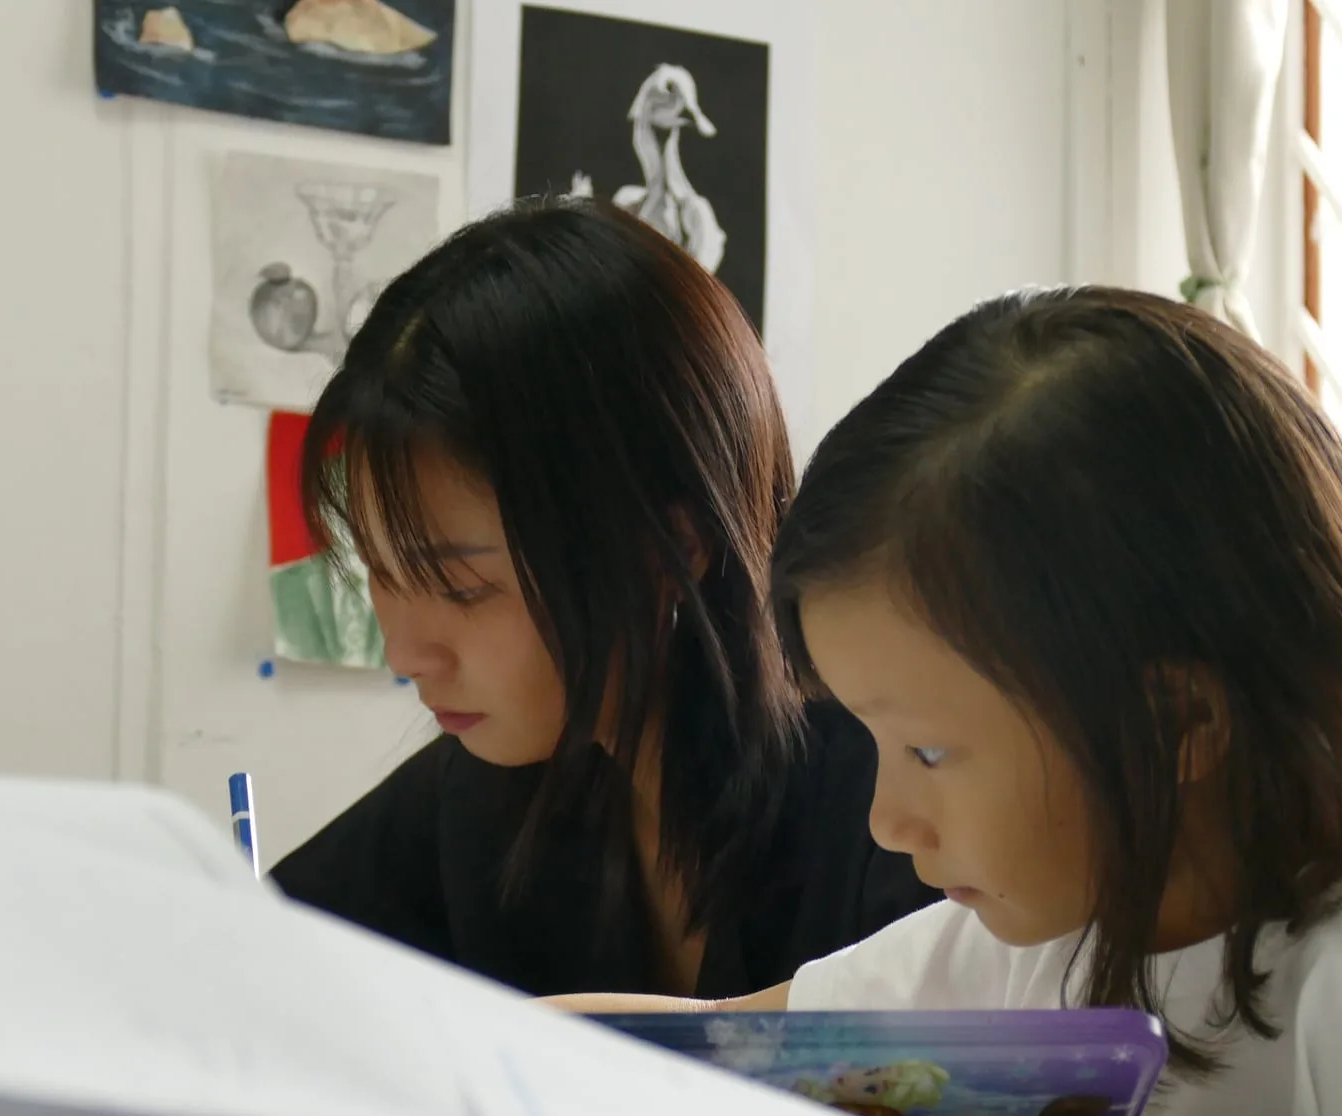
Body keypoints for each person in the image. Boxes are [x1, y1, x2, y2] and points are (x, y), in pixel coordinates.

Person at [551, 287, 1342, 1116]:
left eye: (930, 750)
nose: (887, 822)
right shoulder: (1035, 928)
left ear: (1176, 722)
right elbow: (723, 1039)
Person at [270, 198, 937, 1000]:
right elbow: (242, 948)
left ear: (672, 547)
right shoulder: (487, 787)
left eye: (461, 587)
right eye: (378, 570)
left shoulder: (901, 797)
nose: (407, 651)